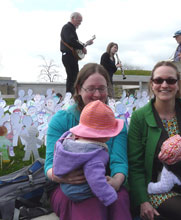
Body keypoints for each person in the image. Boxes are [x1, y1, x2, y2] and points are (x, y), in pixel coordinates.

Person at [128, 61, 181, 220]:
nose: (164, 85)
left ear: (178, 84)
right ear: (151, 84)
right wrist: (142, 201)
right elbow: (135, 165)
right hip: (158, 189)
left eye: (170, 80)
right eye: (158, 80)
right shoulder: (139, 117)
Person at [45, 63, 131, 220]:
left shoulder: (116, 126)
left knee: (119, 204)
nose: (97, 94)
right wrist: (61, 177)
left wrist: (117, 181)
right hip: (67, 185)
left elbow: (119, 162)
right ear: (78, 89)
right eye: (91, 88)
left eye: (102, 88)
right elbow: (50, 164)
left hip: (106, 180)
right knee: (91, 209)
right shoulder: (61, 120)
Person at [53, 100, 124, 206]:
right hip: (79, 191)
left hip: (65, 185)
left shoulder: (69, 140)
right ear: (105, 136)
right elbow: (96, 181)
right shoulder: (94, 156)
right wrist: (110, 196)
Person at [60, 12, 94, 94]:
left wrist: (85, 44)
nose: (80, 23)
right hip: (68, 56)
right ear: (73, 19)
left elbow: (74, 43)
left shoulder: (71, 29)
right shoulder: (67, 28)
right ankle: (69, 96)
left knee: (74, 77)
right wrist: (82, 47)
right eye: (79, 21)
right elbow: (70, 40)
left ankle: (73, 95)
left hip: (72, 56)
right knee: (72, 77)